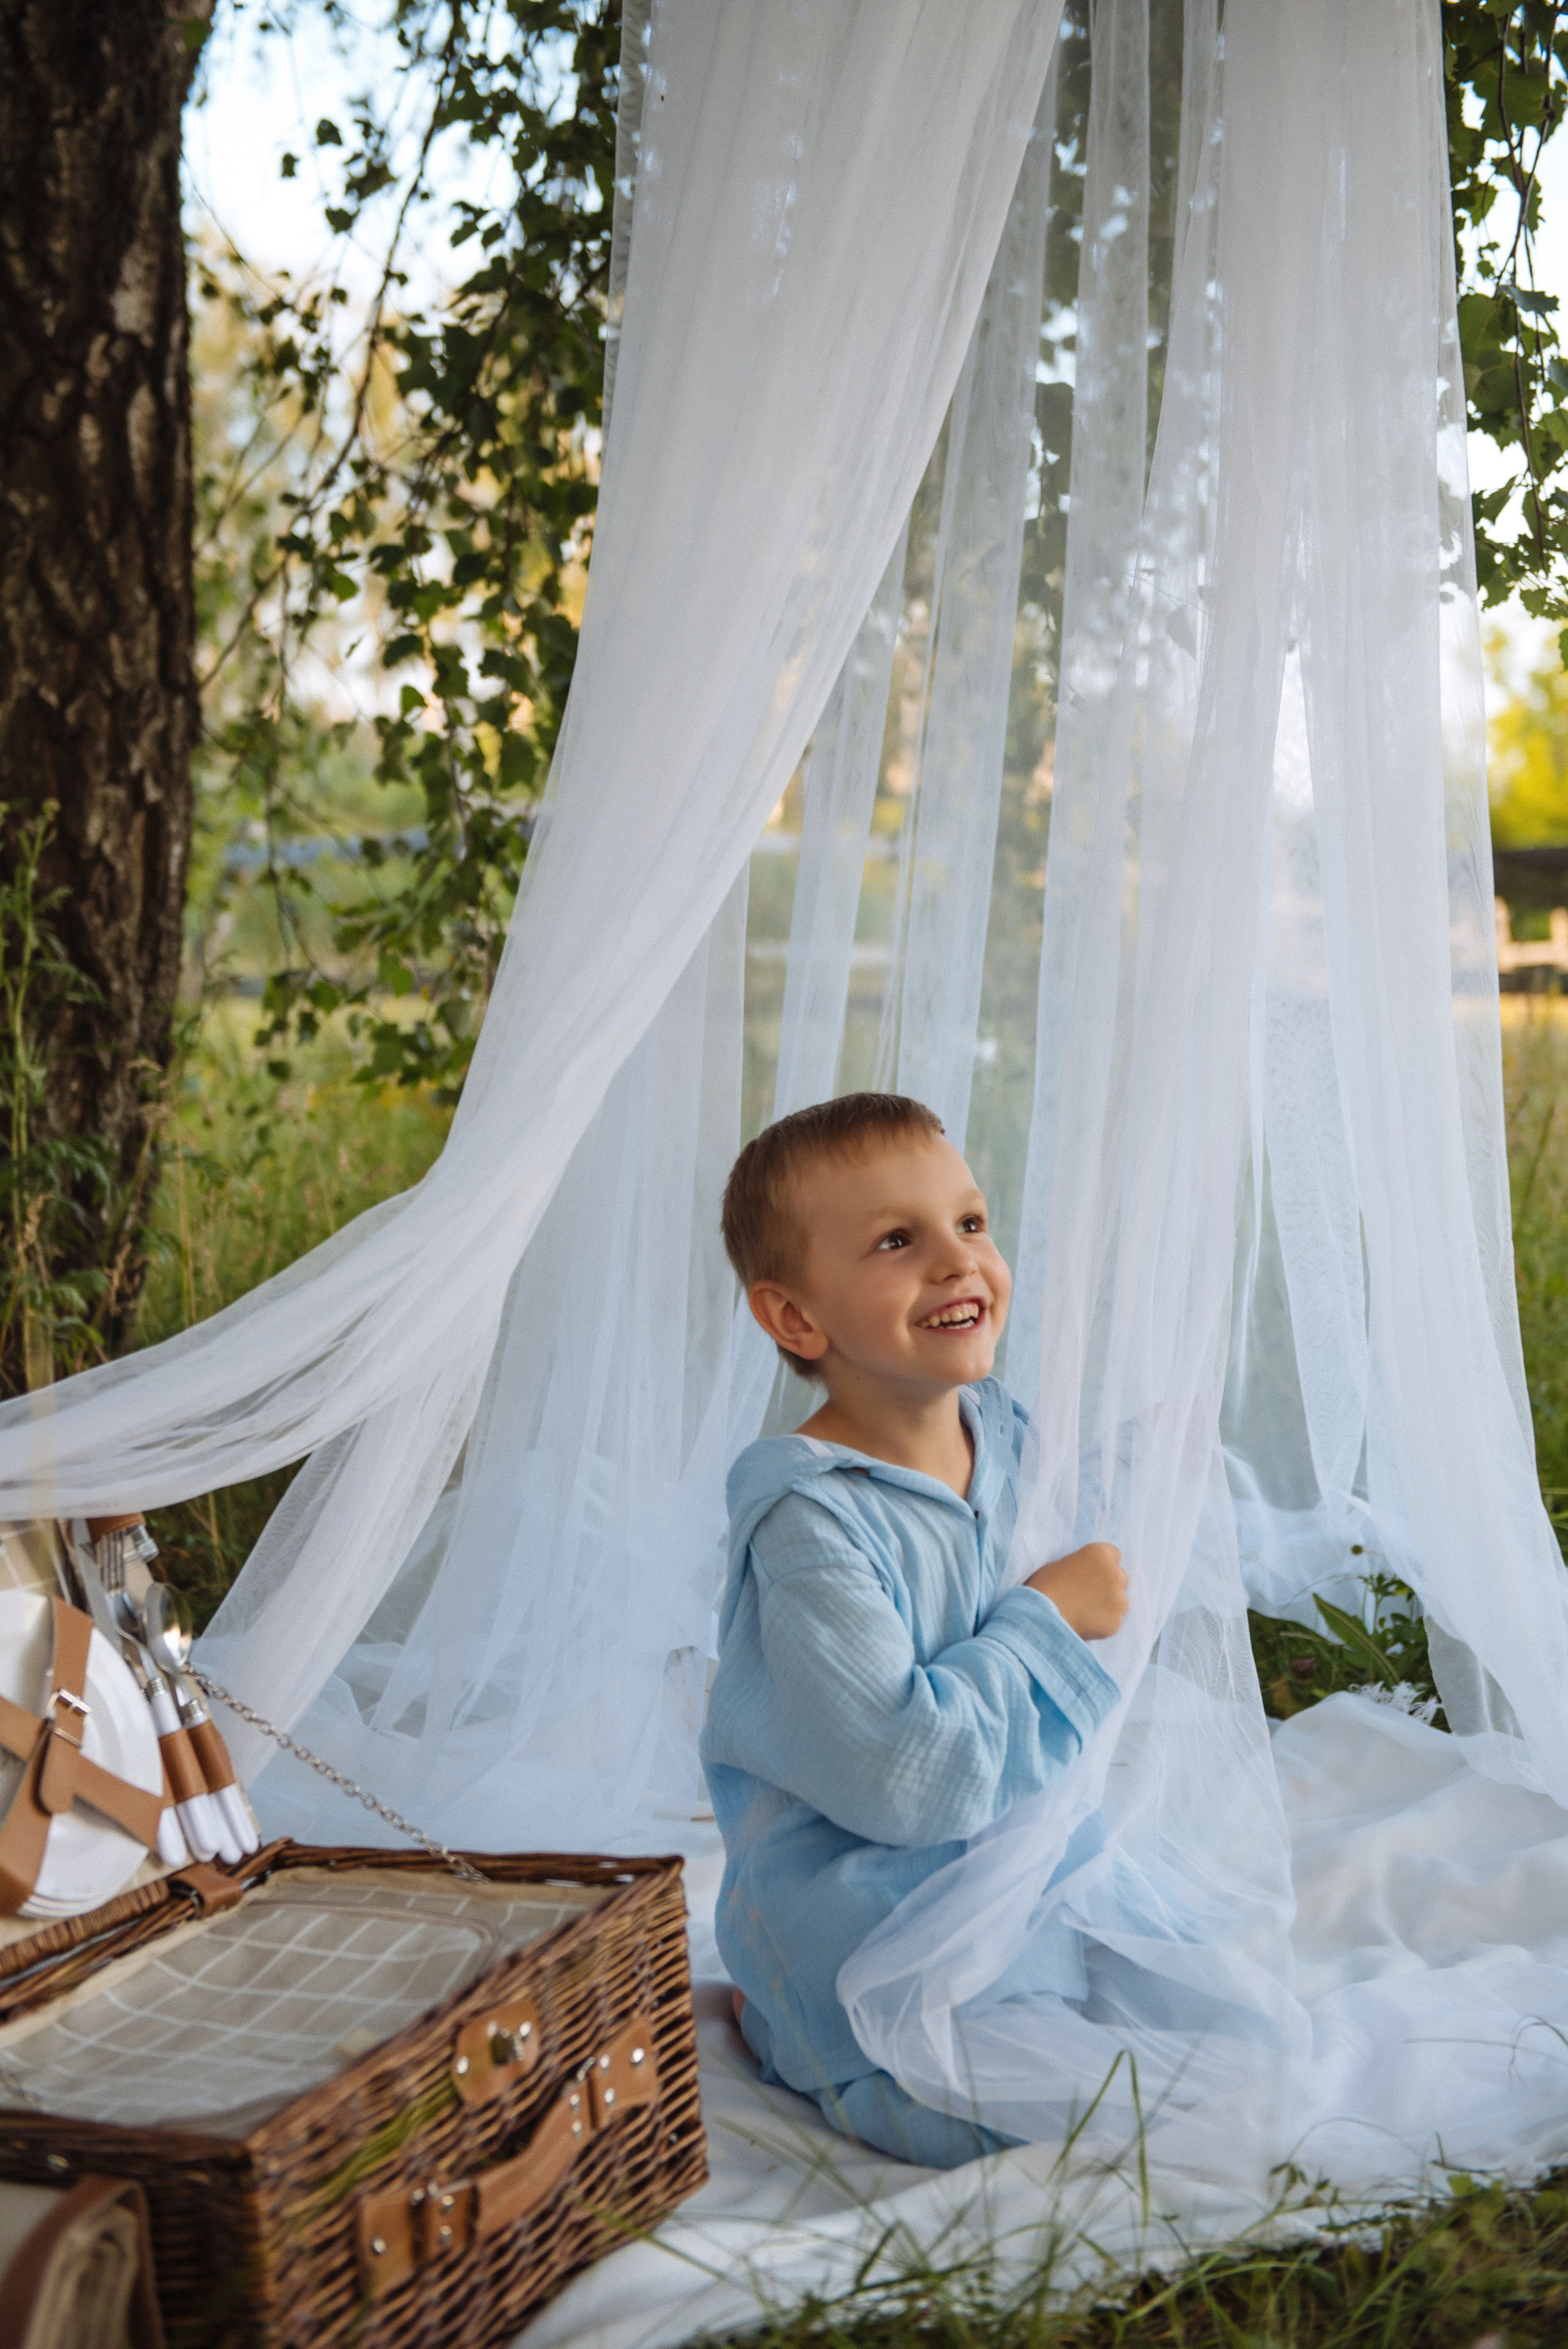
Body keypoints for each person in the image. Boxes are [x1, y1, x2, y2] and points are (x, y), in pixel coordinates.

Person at [701, 1093, 1128, 2169]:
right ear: (798, 1321)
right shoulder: (812, 1519)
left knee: (1228, 2029)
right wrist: (1047, 1619)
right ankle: (785, 2023)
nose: (957, 1262)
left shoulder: (1007, 1435)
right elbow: (899, 1779)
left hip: (1009, 1888)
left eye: (972, 1224)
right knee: (1060, 2137)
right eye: (899, 1240)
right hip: (862, 1932)